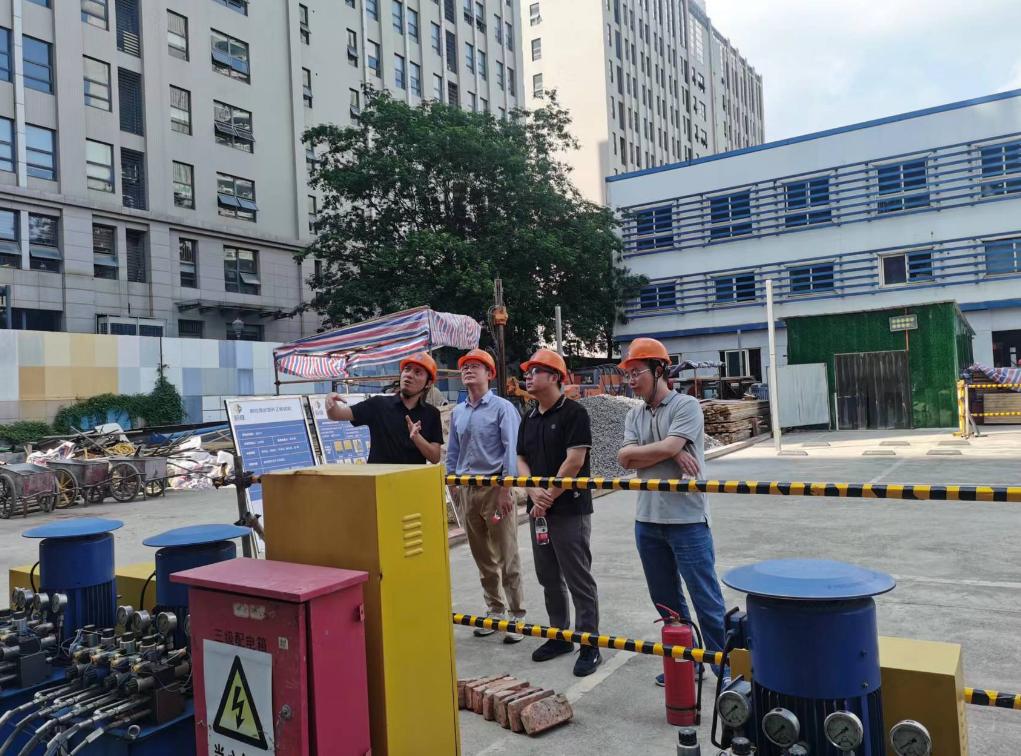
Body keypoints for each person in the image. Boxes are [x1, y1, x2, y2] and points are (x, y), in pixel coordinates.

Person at [616, 337, 727, 686]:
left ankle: (724, 670)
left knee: (706, 599)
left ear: (659, 370)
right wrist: (669, 450)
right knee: (666, 602)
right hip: (647, 520)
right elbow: (623, 458)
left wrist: (665, 448)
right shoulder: (634, 414)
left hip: (687, 520)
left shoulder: (686, 406)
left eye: (637, 372)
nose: (631, 380)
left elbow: (646, 452)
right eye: (628, 374)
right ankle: (686, 663)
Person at [516, 348, 602, 677]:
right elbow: (520, 458)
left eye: (535, 371)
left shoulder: (574, 413)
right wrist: (530, 490)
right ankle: (559, 635)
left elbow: (574, 461)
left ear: (554, 377)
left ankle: (589, 643)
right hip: (539, 509)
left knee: (578, 577)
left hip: (568, 509)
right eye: (528, 372)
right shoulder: (529, 417)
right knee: (548, 576)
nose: (528, 377)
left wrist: (547, 497)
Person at [446, 348, 526, 643]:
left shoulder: (503, 408)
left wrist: (506, 489)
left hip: (495, 490)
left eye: (475, 366)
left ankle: (517, 615)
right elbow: (453, 449)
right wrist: (452, 482)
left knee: (506, 554)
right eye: (465, 367)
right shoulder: (459, 412)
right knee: (482, 556)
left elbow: (511, 450)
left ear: (490, 374)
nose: (468, 370)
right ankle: (495, 611)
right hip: (468, 491)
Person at [325, 352, 443, 465]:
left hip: (412, 479)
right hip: (377, 478)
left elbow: (435, 458)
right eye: (407, 369)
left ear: (428, 383)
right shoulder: (378, 404)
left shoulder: (432, 414)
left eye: (417, 372)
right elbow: (336, 414)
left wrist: (417, 438)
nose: (409, 375)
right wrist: (330, 401)